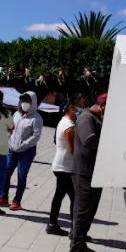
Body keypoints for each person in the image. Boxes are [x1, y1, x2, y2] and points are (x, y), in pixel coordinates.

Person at [69, 93, 107, 252]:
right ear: (101, 106)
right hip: (84, 172)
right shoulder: (86, 118)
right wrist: (111, 143)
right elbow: (89, 140)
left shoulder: (95, 118)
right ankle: (76, 248)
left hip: (94, 172)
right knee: (82, 211)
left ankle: (82, 244)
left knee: (90, 211)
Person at [0, 91, 43, 211]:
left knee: (21, 176)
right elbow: (11, 129)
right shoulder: (16, 114)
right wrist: (9, 141)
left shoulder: (37, 118)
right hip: (12, 150)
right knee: (6, 173)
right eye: (23, 100)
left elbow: (36, 136)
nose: (25, 103)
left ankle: (16, 201)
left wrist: (23, 145)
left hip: (26, 152)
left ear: (33, 102)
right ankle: (3, 198)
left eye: (28, 101)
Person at [46, 95, 82, 236]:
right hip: (65, 167)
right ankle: (75, 230)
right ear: (71, 107)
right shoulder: (69, 126)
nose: (81, 108)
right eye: (79, 105)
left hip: (61, 165)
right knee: (74, 197)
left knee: (59, 195)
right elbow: (74, 150)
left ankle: (52, 224)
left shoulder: (64, 121)